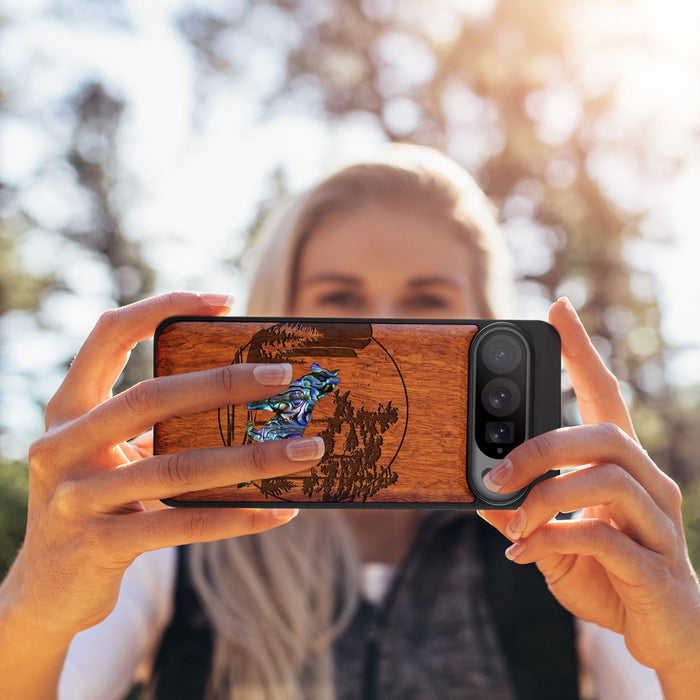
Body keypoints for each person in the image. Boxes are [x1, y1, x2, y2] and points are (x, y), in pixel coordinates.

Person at [0, 145, 698, 700]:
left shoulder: (567, 544)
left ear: (487, 325)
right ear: (279, 318)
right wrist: (34, 607)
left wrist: (685, 648)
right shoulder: (172, 535)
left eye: (428, 302)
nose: (381, 331)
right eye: (339, 300)